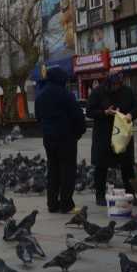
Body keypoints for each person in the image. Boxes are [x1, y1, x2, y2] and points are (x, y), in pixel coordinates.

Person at [35, 67, 87, 213]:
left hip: (49, 139)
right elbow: (78, 116)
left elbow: (38, 117)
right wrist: (77, 134)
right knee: (67, 171)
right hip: (66, 138)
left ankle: (52, 203)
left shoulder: (41, 95)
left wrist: (46, 130)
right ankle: (66, 204)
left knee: (53, 170)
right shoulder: (66, 95)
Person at [86, 72, 137, 206]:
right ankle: (100, 196)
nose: (117, 87)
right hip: (104, 135)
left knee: (127, 166)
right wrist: (104, 112)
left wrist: (130, 114)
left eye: (119, 84)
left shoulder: (127, 92)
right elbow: (89, 111)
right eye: (114, 84)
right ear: (108, 83)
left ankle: (131, 194)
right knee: (101, 166)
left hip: (122, 135)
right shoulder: (98, 92)